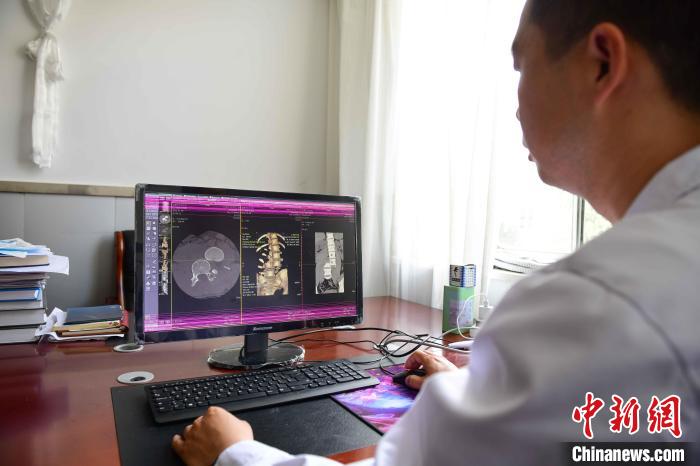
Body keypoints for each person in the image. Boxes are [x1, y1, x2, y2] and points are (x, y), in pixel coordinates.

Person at [173, 1, 700, 464]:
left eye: (521, 66)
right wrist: (478, 402)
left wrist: (234, 453)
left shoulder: (595, 308)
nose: (516, 108)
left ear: (601, 63)